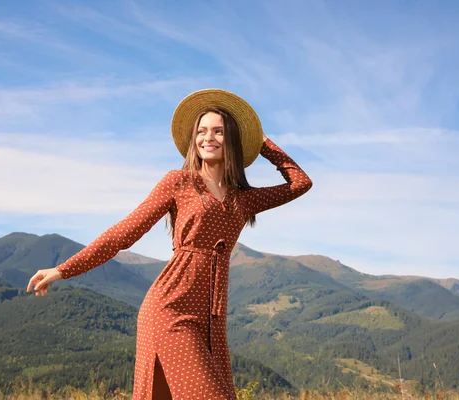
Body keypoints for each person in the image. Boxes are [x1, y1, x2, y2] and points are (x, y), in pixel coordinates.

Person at [26, 88, 313, 400]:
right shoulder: (178, 181)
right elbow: (125, 232)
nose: (209, 138)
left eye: (218, 131)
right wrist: (64, 269)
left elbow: (300, 182)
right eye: (201, 131)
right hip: (169, 310)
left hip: (211, 323)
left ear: (232, 139)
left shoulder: (242, 199)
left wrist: (262, 143)